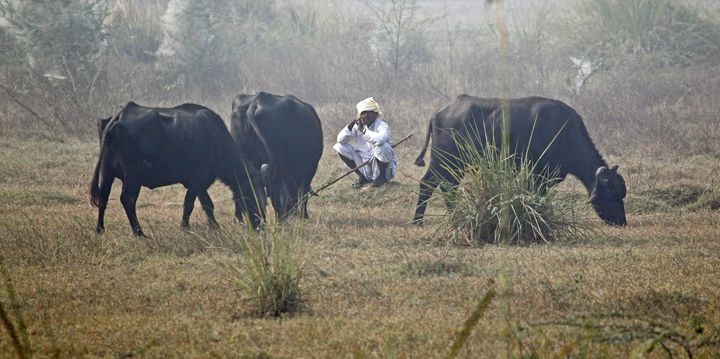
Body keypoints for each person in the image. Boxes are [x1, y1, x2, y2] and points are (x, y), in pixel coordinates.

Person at [334, 97, 398, 188]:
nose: (365, 115)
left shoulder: (382, 126)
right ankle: (362, 176)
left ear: (375, 114)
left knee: (383, 146)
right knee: (339, 147)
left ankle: (381, 177)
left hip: (383, 169)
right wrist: (352, 123)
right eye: (363, 113)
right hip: (364, 167)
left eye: (368, 112)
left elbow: (380, 140)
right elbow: (340, 139)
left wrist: (364, 131)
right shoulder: (358, 126)